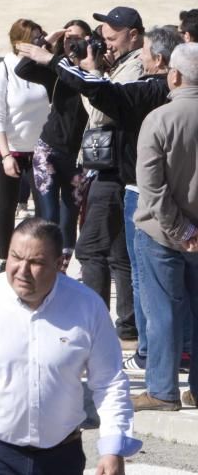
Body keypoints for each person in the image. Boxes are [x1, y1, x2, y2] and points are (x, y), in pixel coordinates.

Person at [0, 217, 141, 475]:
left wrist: (113, 447)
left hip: (61, 455)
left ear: (59, 264)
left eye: (36, 262)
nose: (22, 270)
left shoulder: (88, 307)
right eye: (15, 257)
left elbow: (109, 381)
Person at [22, 25, 183, 375]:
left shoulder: (151, 89)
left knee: (114, 261)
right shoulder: (156, 87)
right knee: (132, 266)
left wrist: (59, 61)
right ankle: (147, 352)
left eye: (113, 37)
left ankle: (138, 355)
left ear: (157, 57)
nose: (107, 45)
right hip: (137, 188)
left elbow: (104, 95)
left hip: (139, 189)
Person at [132, 43, 198, 412]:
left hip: (162, 236)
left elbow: (152, 187)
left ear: (175, 76)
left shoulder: (160, 118)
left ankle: (162, 390)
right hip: (186, 234)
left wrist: (182, 230)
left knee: (163, 314)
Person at [76, 6, 145, 343]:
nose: (106, 44)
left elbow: (103, 113)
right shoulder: (120, 64)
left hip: (115, 170)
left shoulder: (137, 66)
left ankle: (95, 327)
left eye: (112, 37)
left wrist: (91, 76)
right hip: (111, 167)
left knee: (89, 249)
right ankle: (127, 325)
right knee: (119, 254)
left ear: (134, 33)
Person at [14, 19, 89, 265]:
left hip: (79, 155)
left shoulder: (96, 72)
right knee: (48, 214)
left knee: (69, 216)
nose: (72, 44)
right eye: (68, 39)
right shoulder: (56, 70)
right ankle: (40, 260)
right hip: (49, 150)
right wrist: (49, 40)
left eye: (78, 39)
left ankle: (60, 268)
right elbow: (22, 69)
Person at [0, 19, 49, 271]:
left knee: (43, 204)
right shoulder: (4, 69)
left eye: (40, 37)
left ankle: (42, 254)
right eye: (34, 39)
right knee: (8, 203)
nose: (38, 43)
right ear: (18, 42)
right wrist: (5, 155)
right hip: (7, 148)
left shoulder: (42, 66)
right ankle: (5, 258)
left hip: (38, 149)